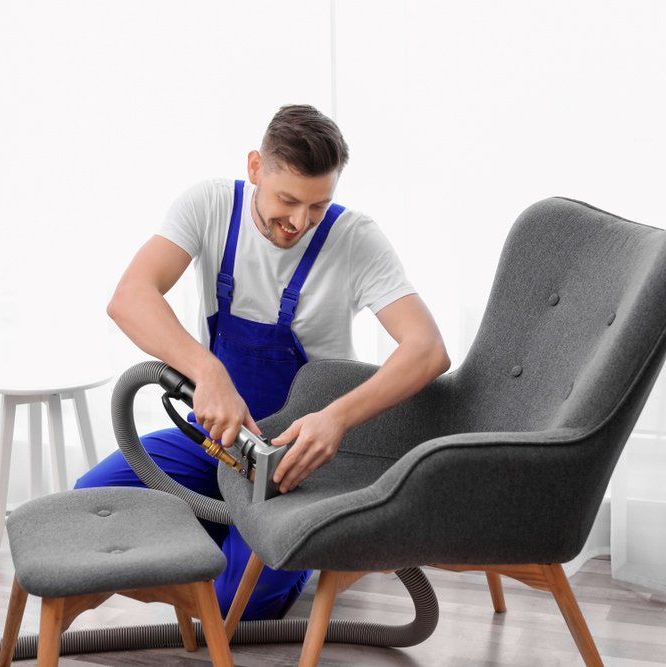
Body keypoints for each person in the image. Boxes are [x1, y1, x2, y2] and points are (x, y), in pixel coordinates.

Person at [75, 104, 450, 620]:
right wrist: (208, 372)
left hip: (299, 463)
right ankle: (238, 550)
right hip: (217, 441)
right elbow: (130, 297)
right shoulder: (210, 206)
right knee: (89, 507)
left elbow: (427, 350)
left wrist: (336, 417)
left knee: (241, 604)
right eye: (288, 200)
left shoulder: (356, 239)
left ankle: (342, 550)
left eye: (317, 206)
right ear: (256, 168)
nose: (299, 222)